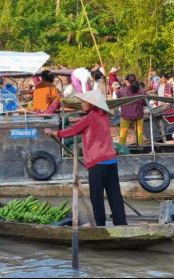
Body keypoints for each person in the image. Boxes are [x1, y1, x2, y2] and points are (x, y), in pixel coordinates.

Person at [45, 90, 127, 227]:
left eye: (84, 102)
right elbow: (88, 122)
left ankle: (99, 224)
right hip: (111, 160)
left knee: (96, 196)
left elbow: (72, 131)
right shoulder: (104, 116)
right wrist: (79, 120)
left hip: (98, 162)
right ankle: (121, 223)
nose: (82, 104)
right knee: (114, 194)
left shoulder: (90, 118)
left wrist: (54, 132)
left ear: (91, 104)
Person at [116, 74, 146, 146]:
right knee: (140, 135)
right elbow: (145, 102)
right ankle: (140, 148)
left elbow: (118, 97)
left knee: (123, 136)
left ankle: (122, 148)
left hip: (126, 116)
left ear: (126, 81)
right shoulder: (141, 90)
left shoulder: (122, 90)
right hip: (138, 116)